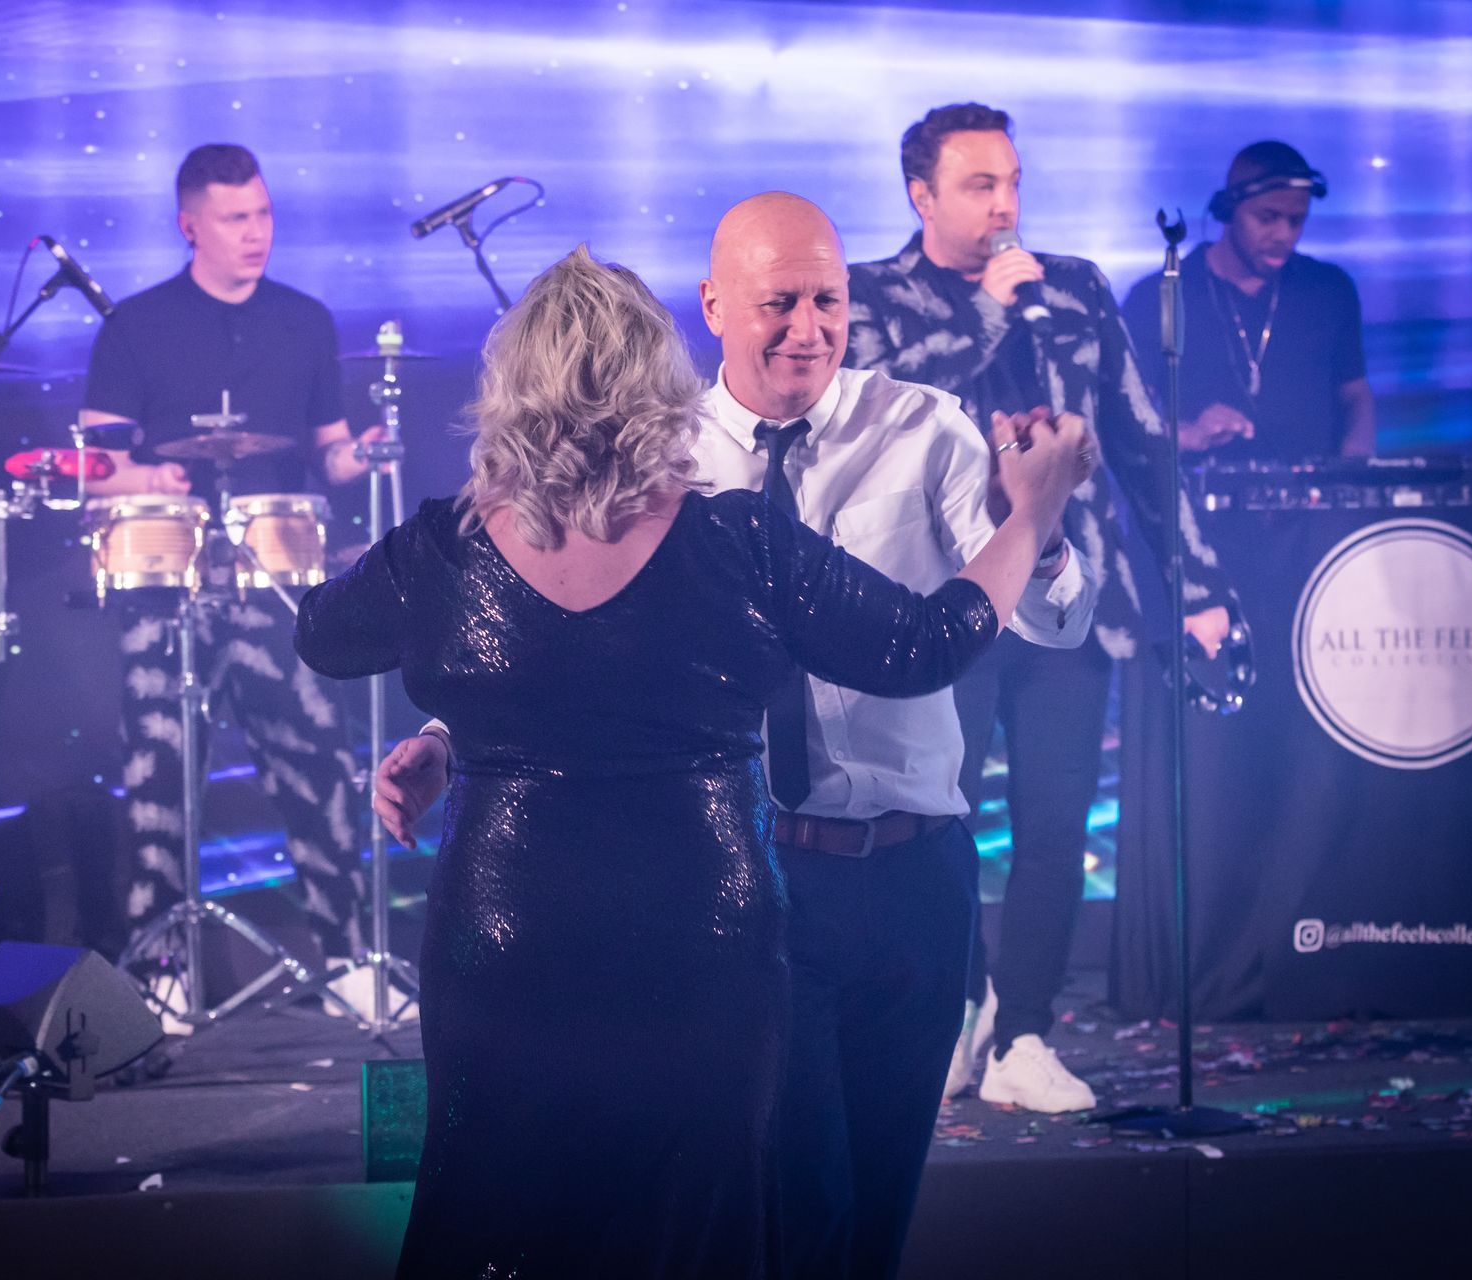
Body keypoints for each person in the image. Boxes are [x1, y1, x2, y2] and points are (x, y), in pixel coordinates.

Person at [296, 245, 1087, 1279]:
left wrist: (459, 708)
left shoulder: (442, 550)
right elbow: (923, 647)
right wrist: (1031, 515)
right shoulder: (737, 541)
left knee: (495, 1211)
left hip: (506, 939)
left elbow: (326, 636)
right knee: (695, 1221)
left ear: (512, 390)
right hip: (699, 942)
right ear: (659, 382)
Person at [843, 103, 1240, 1115]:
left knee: (1056, 823)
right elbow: (879, 419)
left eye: (1012, 181)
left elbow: (1144, 441)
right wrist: (982, 315)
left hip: (1070, 595)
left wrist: (1196, 586)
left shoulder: (1073, 288)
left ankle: (1024, 1033)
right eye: (980, 185)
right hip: (943, 603)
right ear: (922, 196)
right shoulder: (871, 296)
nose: (1004, 204)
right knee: (939, 821)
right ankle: (959, 1003)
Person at [78, 143, 386, 1009]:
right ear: (190, 226)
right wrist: (150, 476)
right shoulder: (136, 325)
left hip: (275, 579)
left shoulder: (305, 321)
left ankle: (349, 961)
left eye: (263, 214)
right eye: (235, 219)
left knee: (318, 766)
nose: (256, 233)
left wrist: (367, 454)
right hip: (165, 583)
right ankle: (163, 976)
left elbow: (329, 454)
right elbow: (92, 464)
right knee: (160, 779)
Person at [1122, 140, 1376, 460]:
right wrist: (1187, 434)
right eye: (1267, 218)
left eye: (1296, 220)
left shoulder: (1329, 289)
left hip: (1315, 489)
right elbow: (1125, 421)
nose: (1284, 235)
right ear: (1229, 211)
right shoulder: (1159, 296)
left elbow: (1355, 395)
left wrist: (1354, 470)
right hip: (1198, 490)